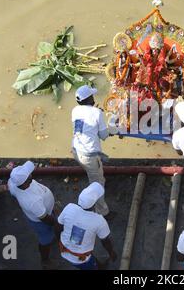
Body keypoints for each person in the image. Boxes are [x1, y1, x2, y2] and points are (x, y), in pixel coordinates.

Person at [72, 85, 112, 218]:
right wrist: (111, 128)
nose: (94, 98)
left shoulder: (75, 110)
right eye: (92, 96)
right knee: (96, 185)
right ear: (89, 98)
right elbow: (104, 136)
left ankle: (100, 179)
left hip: (76, 151)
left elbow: (87, 125)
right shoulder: (96, 113)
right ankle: (102, 211)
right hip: (89, 156)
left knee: (95, 174)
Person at [57, 182, 117, 270]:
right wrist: (111, 252)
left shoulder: (69, 207)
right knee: (90, 266)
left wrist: (61, 240)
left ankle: (99, 265)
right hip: (81, 259)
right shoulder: (99, 220)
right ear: (94, 204)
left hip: (63, 249)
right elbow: (105, 241)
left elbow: (57, 227)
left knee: (90, 259)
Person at [8, 161, 56, 268]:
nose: (31, 174)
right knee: (45, 240)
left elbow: (12, 193)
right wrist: (56, 224)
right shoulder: (32, 201)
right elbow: (45, 219)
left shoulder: (13, 183)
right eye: (29, 175)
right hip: (41, 222)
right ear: (25, 182)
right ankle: (45, 259)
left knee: (49, 234)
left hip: (43, 212)